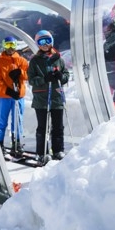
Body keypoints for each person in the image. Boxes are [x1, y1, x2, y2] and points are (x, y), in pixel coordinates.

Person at [27, 30, 70, 163]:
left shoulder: (58, 59)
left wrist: (60, 77)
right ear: (37, 44)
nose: (45, 44)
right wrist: (44, 79)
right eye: (41, 42)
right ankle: (41, 152)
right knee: (43, 126)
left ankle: (58, 150)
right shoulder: (35, 61)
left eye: (47, 41)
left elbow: (66, 75)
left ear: (51, 42)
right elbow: (31, 80)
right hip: (41, 99)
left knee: (58, 126)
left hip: (56, 97)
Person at [0, 36, 29, 155]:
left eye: (12, 45)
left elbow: (28, 75)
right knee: (2, 120)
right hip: (5, 97)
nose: (10, 48)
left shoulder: (21, 61)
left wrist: (20, 73)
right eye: (7, 45)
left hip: (18, 96)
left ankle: (16, 143)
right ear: (4, 46)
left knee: (17, 120)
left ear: (16, 46)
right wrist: (8, 91)